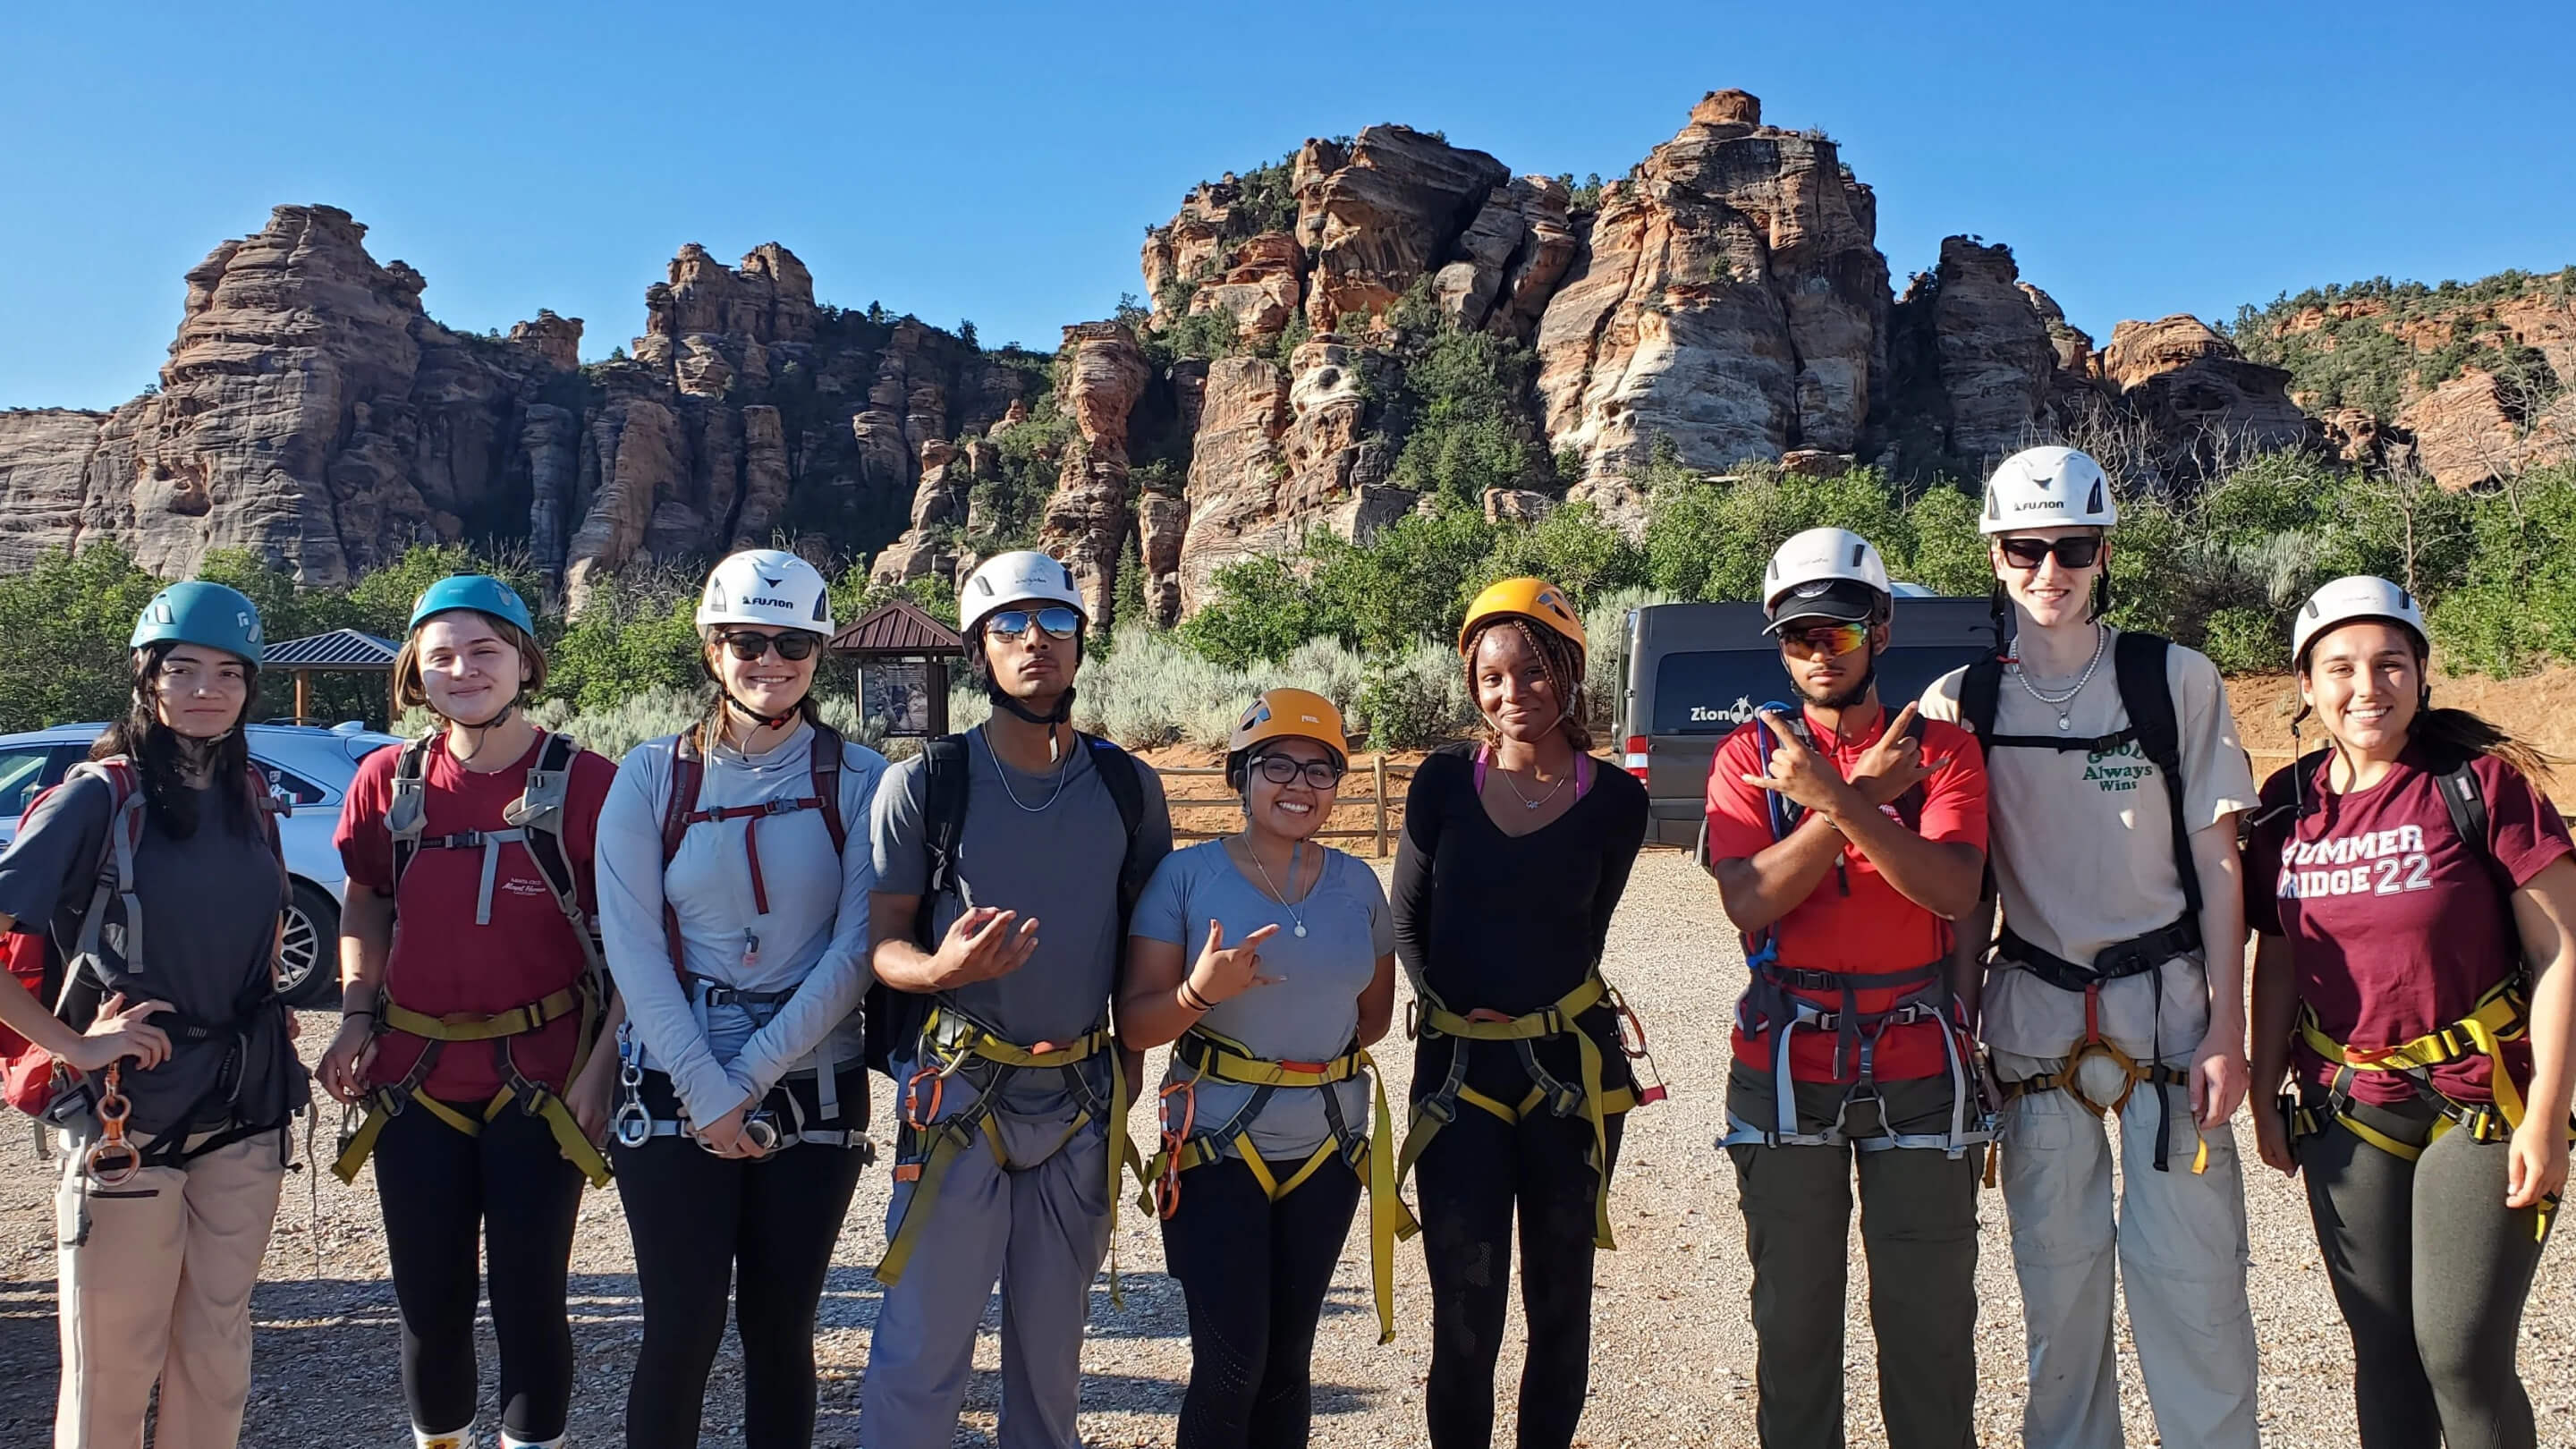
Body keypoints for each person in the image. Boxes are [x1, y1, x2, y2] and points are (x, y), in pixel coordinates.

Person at [1919, 444, 2262, 1449]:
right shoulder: (1959, 704)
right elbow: (1962, 890)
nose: (2049, 571)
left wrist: (2229, 1029)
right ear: (1995, 557)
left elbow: (2221, 865)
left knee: (2196, 1290)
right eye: (2025, 549)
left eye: (2072, 547)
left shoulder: (2174, 680)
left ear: (2104, 552)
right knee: (2057, 1295)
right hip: (2032, 1022)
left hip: (2169, 1016)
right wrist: (1960, 1031)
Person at [2243, 576, 2573, 1449]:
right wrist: (2263, 1089)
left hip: (2482, 1100)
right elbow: (2279, 952)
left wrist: (2548, 1116)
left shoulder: (2481, 784)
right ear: (2306, 684)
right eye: (2341, 667)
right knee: (2385, 1356)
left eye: (2391, 663)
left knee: (2460, 1357)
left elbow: (2562, 953)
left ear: (2423, 673)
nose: (2368, 687)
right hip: (2347, 1102)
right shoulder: (2286, 804)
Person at [860, 549, 1172, 1449]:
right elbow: (882, 946)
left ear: (1081, 641)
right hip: (960, 1094)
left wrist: (1129, 1074)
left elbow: (1141, 948)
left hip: (1080, 1098)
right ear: (978, 652)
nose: (1036, 640)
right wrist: (940, 971)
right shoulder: (927, 785)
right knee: (923, 1347)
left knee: (1051, 1356)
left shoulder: (1127, 787)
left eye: (1056, 621)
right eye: (1009, 626)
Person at [1704, 528, 1992, 1448]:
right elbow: (1749, 900)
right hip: (1788, 1061)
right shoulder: (1747, 758)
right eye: (1800, 635)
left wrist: (1832, 797)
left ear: (1882, 630)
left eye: (1841, 631)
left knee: (1930, 1332)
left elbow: (1952, 890)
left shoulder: (1942, 751)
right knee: (1791, 1332)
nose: (1821, 651)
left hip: (1917, 1063)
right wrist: (1855, 796)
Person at [318, 575, 620, 1449]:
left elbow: (639, 941)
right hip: (414, 1082)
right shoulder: (389, 780)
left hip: (543, 1083)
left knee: (532, 1301)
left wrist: (601, 1073)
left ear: (525, 662)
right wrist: (354, 1014)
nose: (463, 670)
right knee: (430, 1305)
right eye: (441, 655)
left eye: (485, 650)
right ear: (417, 672)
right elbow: (366, 898)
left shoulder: (589, 784)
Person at [594, 548, 886, 1449]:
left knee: (780, 1331)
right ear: (711, 649)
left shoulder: (861, 779)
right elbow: (634, 949)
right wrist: (706, 1086)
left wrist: (745, 1079)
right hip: (675, 1074)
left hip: (809, 1077)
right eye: (747, 641)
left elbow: (857, 948)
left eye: (792, 643)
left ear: (820, 651)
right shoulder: (652, 775)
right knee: (679, 1330)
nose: (770, 661)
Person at [0, 580, 302, 1449]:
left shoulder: (251, 796)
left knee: (217, 1355)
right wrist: (73, 1043)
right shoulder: (99, 797)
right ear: (146, 677)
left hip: (244, 1109)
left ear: (249, 687)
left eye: (228, 673)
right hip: (125, 1118)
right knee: (113, 1367)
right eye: (183, 669)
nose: (206, 689)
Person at [1391, 576, 1653, 1449]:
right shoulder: (1441, 784)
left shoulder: (1617, 803)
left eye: (1534, 672)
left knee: (1561, 1307)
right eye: (1493, 677)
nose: (1513, 694)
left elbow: (1586, 935)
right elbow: (1407, 923)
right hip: (1459, 1078)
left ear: (1571, 671)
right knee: (1465, 1321)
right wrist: (1450, 1011)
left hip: (1571, 1077)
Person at [1118, 689, 1408, 1449]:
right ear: (1239, 778)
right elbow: (1136, 1024)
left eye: (1320, 769)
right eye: (1277, 765)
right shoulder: (1186, 879)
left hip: (1327, 1150)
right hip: (1217, 1149)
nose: (1299, 785)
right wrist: (1198, 994)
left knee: (1286, 1366)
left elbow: (1372, 1020)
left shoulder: (1357, 885)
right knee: (1230, 1368)